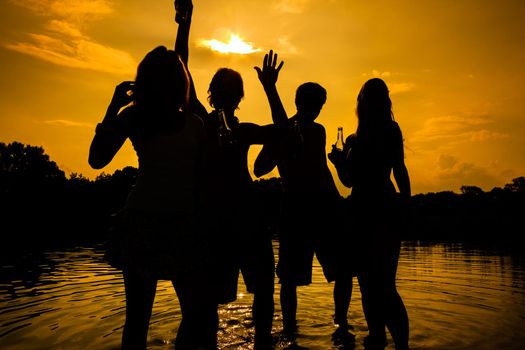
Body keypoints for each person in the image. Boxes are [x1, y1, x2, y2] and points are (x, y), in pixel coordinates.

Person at [88, 46, 217, 349]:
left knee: (193, 314)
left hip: (182, 226)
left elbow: (203, 182)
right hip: (144, 224)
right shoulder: (135, 117)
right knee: (141, 319)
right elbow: (97, 160)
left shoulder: (193, 123)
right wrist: (113, 109)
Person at [173, 2, 275, 348]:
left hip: (241, 220)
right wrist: (184, 24)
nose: (229, 95)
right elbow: (181, 67)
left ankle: (258, 342)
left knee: (257, 292)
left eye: (232, 91)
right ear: (216, 95)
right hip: (220, 222)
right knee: (213, 304)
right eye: (227, 90)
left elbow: (281, 133)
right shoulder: (204, 123)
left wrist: (272, 88)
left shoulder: (239, 129)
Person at [253, 56, 343, 338]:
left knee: (341, 269)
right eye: (314, 104)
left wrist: (338, 204)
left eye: (320, 106)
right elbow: (259, 168)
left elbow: (320, 169)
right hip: (295, 209)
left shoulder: (317, 130)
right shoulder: (285, 131)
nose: (316, 110)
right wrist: (278, 147)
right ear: (300, 103)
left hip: (321, 208)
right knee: (290, 278)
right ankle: (291, 329)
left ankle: (341, 324)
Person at [328, 78, 411, 350]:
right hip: (375, 210)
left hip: (371, 211)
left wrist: (340, 164)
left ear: (360, 103)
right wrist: (406, 204)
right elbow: (395, 170)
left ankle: (388, 340)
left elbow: (353, 180)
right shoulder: (381, 132)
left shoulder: (367, 136)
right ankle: (383, 340)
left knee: (377, 285)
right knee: (378, 285)